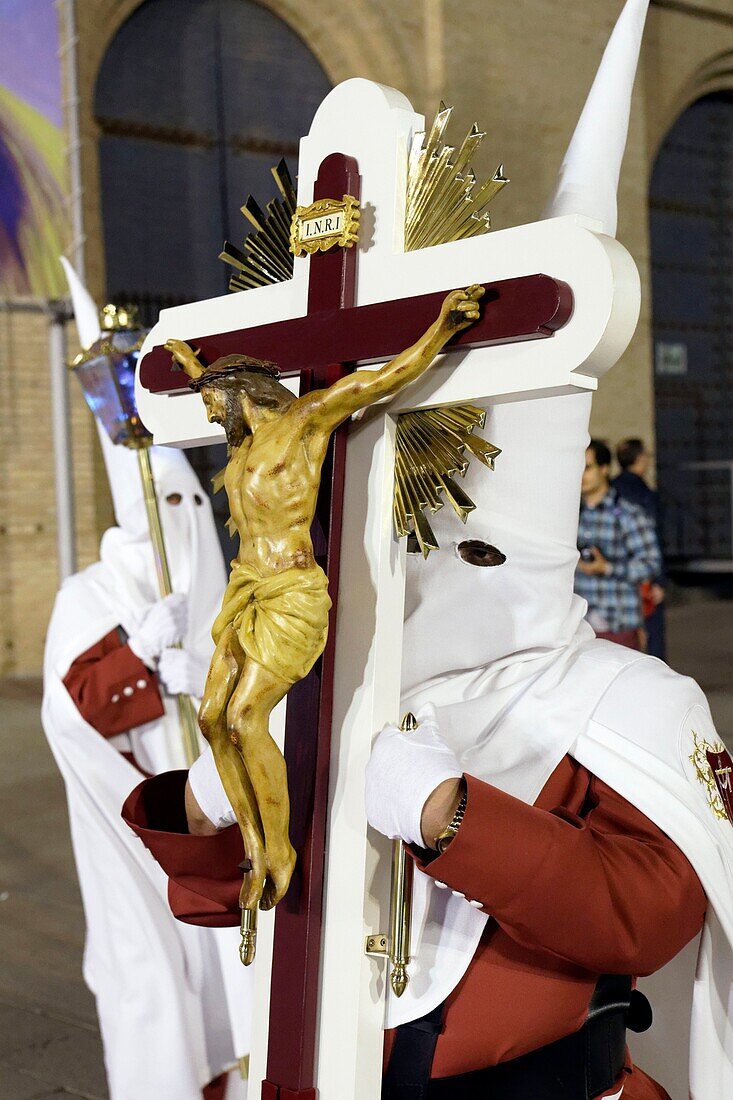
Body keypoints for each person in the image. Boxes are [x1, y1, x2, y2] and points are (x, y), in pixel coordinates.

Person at [122, 1, 733, 1097]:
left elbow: (646, 910)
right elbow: (218, 898)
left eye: (482, 549)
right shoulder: (341, 674)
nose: (447, 574)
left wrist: (449, 811)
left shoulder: (623, 699)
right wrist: (219, 800)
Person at [163, 284, 483, 922]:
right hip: (245, 590)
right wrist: (195, 369)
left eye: (209, 401)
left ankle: (278, 848)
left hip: (291, 592)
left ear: (239, 392)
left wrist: (441, 328)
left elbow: (382, 382)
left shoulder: (303, 423)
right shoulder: (243, 446)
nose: (205, 413)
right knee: (210, 721)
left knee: (246, 716)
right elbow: (222, 387)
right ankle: (253, 841)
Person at [42, 263, 250, 1100]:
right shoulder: (87, 594)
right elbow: (68, 711)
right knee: (156, 991)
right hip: (134, 832)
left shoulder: (204, 585)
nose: (180, 525)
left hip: (204, 821)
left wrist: (197, 667)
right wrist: (134, 652)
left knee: (229, 992)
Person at [575, 439, 662, 650]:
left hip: (617, 622)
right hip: (578, 625)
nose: (581, 475)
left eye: (587, 468)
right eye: (577, 468)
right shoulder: (571, 515)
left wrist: (607, 567)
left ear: (604, 469)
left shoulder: (628, 513)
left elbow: (650, 563)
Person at [613, 438, 666, 659]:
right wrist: (658, 581)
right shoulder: (644, 494)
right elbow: (651, 541)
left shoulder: (611, 490)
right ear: (639, 459)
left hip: (613, 572)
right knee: (651, 636)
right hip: (641, 576)